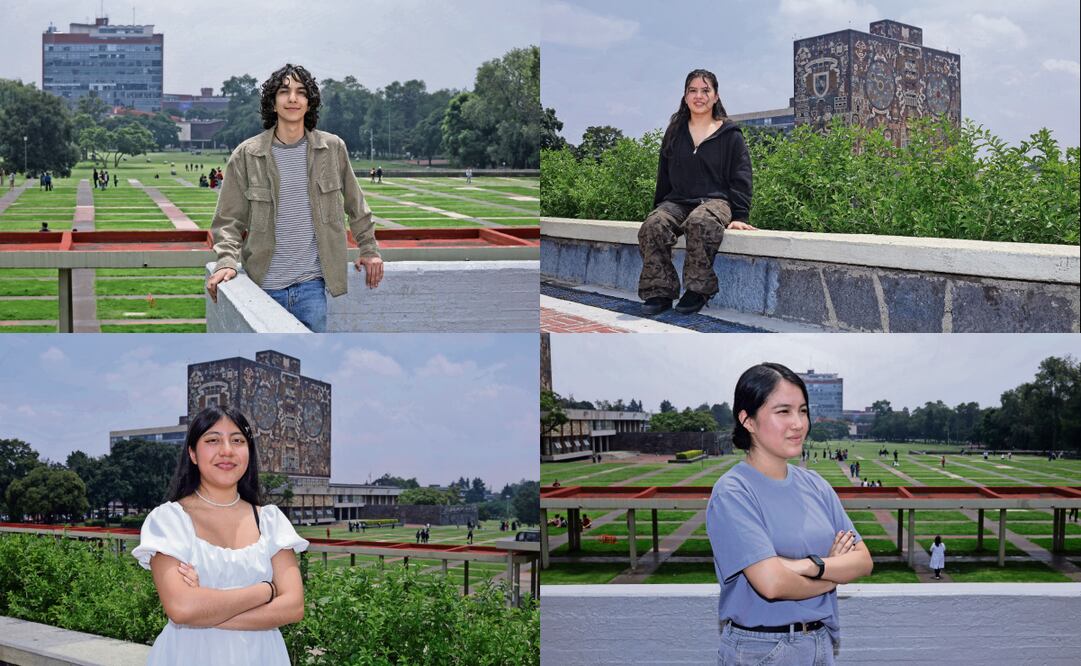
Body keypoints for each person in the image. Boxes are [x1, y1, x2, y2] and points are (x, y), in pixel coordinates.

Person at [707, 363, 872, 664]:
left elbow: (862, 561)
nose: (798, 423)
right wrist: (831, 574)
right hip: (762, 649)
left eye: (803, 411)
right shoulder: (733, 492)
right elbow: (772, 584)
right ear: (748, 420)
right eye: (783, 411)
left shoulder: (816, 485)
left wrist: (805, 566)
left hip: (820, 642)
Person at [206, 63, 384, 332]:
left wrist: (369, 251)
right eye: (284, 91)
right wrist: (227, 261)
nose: (292, 98)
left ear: (309, 103)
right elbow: (228, 221)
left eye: (301, 92)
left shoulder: (332, 149)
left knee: (310, 368)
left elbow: (357, 207)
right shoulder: (247, 155)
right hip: (262, 287)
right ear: (272, 102)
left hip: (313, 288)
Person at [131, 406, 307, 665]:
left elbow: (293, 607)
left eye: (237, 440)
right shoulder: (169, 520)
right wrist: (266, 590)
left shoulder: (270, 521)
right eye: (212, 440)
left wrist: (207, 610)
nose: (227, 450)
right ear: (192, 453)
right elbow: (182, 608)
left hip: (262, 657)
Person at [637, 69, 757, 316]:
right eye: (693, 90)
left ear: (715, 97)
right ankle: (659, 292)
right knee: (653, 225)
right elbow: (665, 175)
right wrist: (659, 207)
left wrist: (741, 216)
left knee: (699, 222)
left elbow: (742, 175)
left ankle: (698, 290)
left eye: (705, 90)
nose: (699, 96)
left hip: (716, 202)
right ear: (685, 96)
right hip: (678, 200)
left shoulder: (730, 134)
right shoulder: (675, 132)